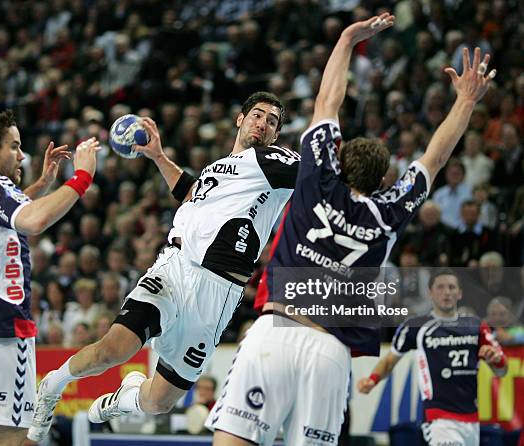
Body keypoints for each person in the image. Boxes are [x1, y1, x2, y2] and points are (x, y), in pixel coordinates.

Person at [206, 12, 497, 446]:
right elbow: (434, 159)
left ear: (338, 164)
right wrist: (466, 101)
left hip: (276, 330)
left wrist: (346, 39)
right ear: (384, 182)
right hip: (330, 350)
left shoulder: (315, 179)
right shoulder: (389, 211)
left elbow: (328, 102)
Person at [27, 91, 300, 441]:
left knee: (159, 402)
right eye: (257, 115)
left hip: (218, 296)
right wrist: (158, 156)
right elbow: (191, 192)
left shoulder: (273, 163)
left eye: (272, 121)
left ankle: (124, 398)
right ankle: (52, 385)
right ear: (240, 119)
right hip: (175, 269)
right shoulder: (219, 167)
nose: (262, 124)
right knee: (114, 349)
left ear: (276, 134)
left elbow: (315, 172)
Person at [0, 109, 100, 446]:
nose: (22, 154)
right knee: (8, 439)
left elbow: (0, 217)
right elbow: (34, 221)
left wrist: (42, 184)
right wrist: (81, 177)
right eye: (13, 146)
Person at [358, 270, 507, 446]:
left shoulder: (476, 326)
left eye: (451, 287)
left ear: (459, 293)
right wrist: (372, 379)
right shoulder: (416, 326)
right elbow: (390, 360)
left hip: (471, 419)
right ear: (430, 293)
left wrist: (494, 359)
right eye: (440, 287)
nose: (446, 292)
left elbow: (502, 370)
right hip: (438, 418)